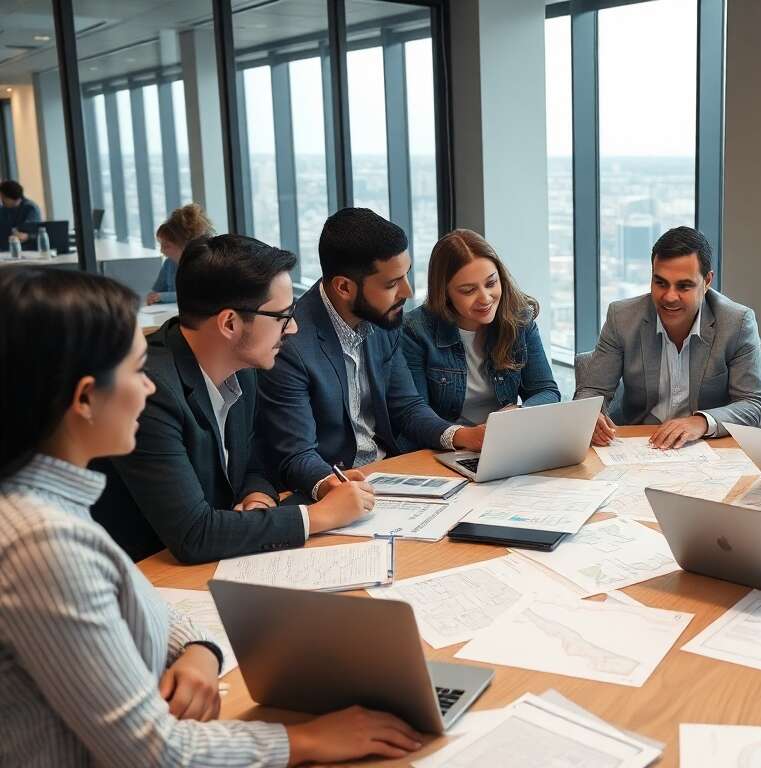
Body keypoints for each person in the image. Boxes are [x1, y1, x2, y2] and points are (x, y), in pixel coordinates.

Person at [0, 267, 425, 766]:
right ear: (86, 398)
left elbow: (143, 601)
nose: (149, 388)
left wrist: (199, 646)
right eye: (137, 371)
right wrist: (308, 740)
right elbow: (159, 754)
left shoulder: (49, 502)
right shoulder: (42, 544)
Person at [91, 235, 375, 564]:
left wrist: (257, 497)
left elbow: (253, 463)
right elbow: (193, 535)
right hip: (145, 571)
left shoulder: (241, 367)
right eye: (283, 317)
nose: (293, 328)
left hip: (217, 561)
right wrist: (319, 516)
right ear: (230, 323)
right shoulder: (150, 392)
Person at [258, 208, 456, 501]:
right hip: (333, 487)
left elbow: (407, 407)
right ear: (344, 287)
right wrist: (334, 487)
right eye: (391, 284)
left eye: (406, 275)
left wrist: (461, 435)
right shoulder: (289, 342)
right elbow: (297, 454)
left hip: (387, 474)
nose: (407, 291)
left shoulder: (383, 319)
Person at [573, 226, 761, 449]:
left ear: (707, 281)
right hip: (638, 445)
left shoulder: (736, 323)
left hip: (707, 448)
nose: (669, 297)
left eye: (684, 286)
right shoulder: (622, 318)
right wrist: (591, 416)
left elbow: (755, 404)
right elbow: (593, 390)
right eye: (660, 283)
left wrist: (702, 422)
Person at [401, 229, 560, 451]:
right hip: (443, 451)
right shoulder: (415, 330)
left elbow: (547, 392)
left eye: (491, 283)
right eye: (468, 291)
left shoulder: (519, 319)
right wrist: (465, 437)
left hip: (505, 444)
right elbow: (414, 414)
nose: (485, 298)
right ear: (445, 293)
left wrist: (517, 414)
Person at [147, 202, 214, 305]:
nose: (162, 250)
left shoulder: (206, 265)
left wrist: (162, 297)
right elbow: (156, 290)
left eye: (167, 246)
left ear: (185, 245)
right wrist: (152, 296)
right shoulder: (169, 264)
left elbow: (195, 294)